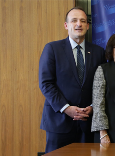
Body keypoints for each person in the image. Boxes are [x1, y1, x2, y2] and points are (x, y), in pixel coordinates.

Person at [38, 7, 106, 153]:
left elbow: (102, 84)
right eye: (74, 20)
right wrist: (66, 108)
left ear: (88, 26)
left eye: (83, 21)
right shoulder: (52, 49)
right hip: (59, 122)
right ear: (66, 25)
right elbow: (46, 83)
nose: (78, 24)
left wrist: (94, 106)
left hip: (87, 122)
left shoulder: (98, 52)